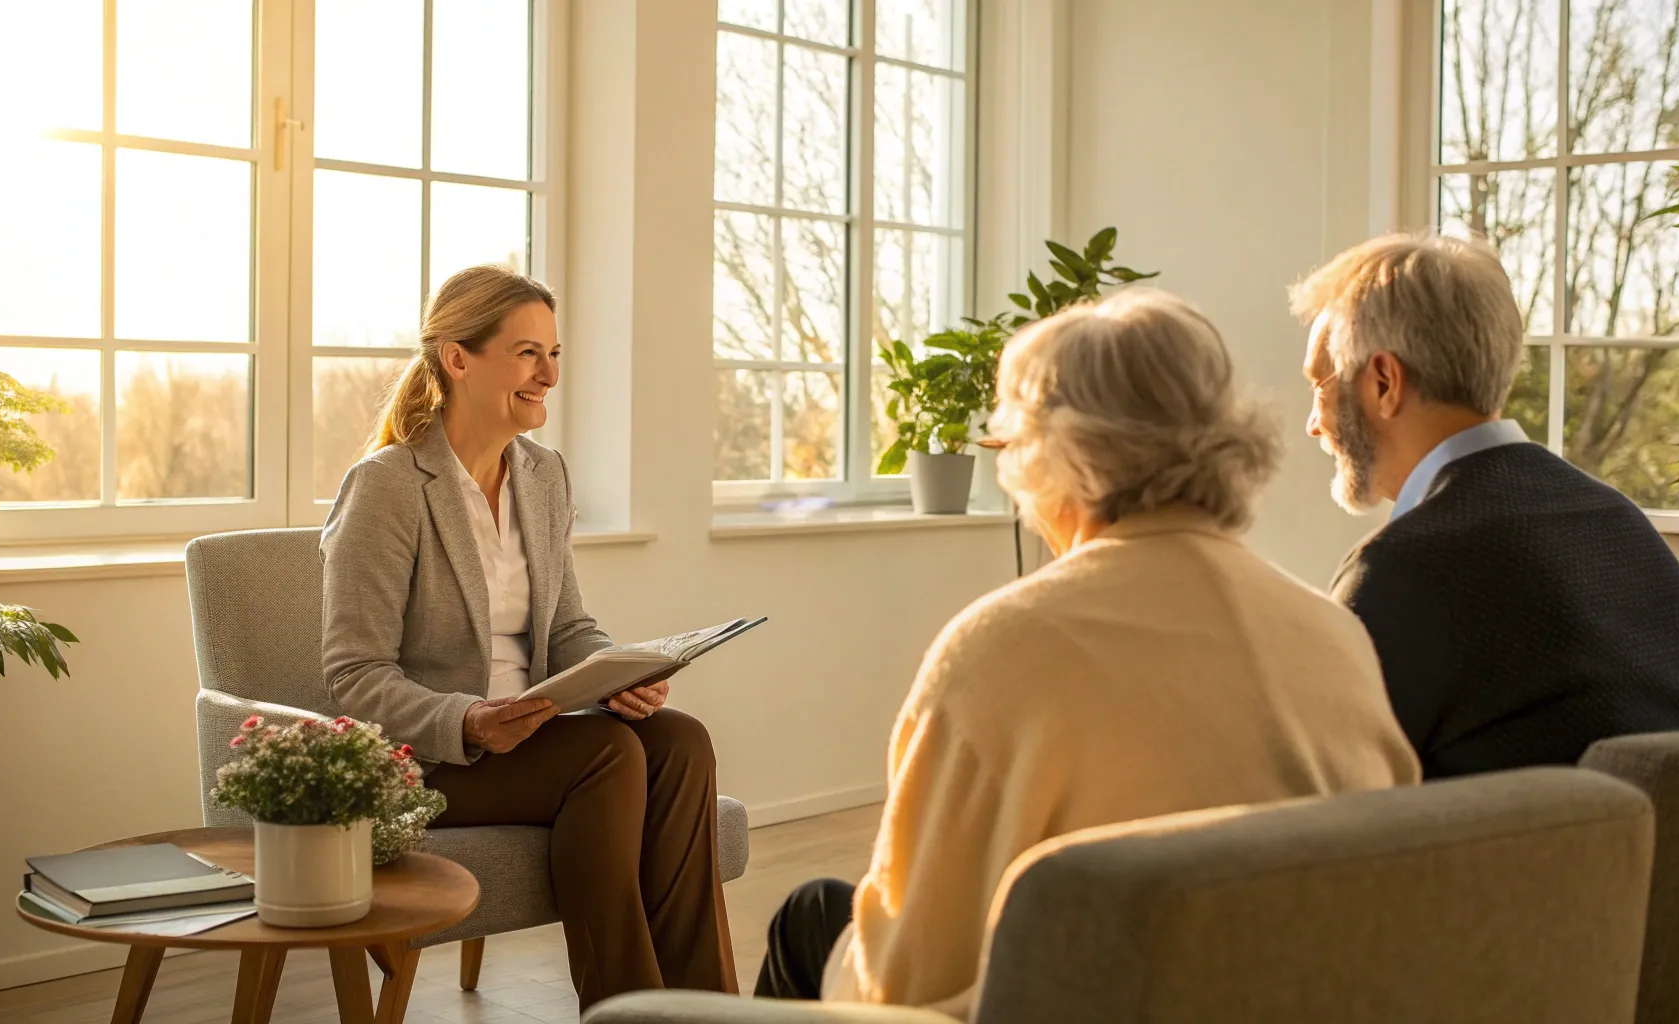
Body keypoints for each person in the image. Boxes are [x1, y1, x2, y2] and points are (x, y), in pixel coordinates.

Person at [755, 290, 1421, 1017]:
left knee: (811, 919)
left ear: (1053, 457)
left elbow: (905, 983)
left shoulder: (997, 653)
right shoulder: (1332, 634)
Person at [319, 265, 735, 1008]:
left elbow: (569, 627)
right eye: (526, 353)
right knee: (603, 753)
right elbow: (355, 675)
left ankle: (702, 1009)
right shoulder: (388, 485)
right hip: (437, 755)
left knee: (681, 741)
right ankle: (624, 1013)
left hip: (538, 735)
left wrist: (617, 676)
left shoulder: (542, 476)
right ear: (457, 358)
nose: (548, 374)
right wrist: (469, 719)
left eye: (554, 353)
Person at [1292, 233, 1679, 780]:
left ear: (1384, 381)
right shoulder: (1624, 526)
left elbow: (1319, 802)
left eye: (1319, 385)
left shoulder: (1399, 569)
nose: (1315, 422)